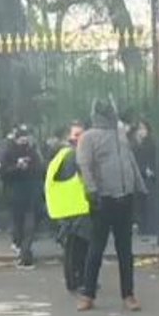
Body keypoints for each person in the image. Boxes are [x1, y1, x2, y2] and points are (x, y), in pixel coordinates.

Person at [76, 98, 147, 312]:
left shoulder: (119, 134)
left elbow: (130, 161)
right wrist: (92, 191)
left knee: (125, 251)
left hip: (124, 198)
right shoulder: (88, 137)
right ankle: (88, 294)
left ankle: (129, 295)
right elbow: (84, 166)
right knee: (96, 249)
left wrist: (140, 187)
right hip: (102, 199)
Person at [46, 121, 91, 294]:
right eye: (76, 134)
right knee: (75, 248)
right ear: (69, 137)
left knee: (78, 247)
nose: (79, 137)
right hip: (74, 207)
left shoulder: (66, 154)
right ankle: (75, 281)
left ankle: (80, 279)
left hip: (74, 206)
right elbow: (77, 180)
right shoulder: (71, 155)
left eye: (81, 133)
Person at [0, 125, 42, 269]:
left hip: (30, 194)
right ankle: (19, 246)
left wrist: (30, 167)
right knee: (18, 226)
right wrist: (16, 167)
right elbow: (3, 173)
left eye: (26, 137)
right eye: (22, 137)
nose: (25, 140)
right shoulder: (8, 152)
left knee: (29, 227)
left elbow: (39, 169)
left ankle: (26, 256)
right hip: (15, 195)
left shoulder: (32, 151)